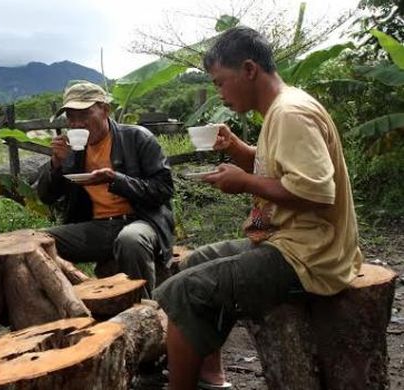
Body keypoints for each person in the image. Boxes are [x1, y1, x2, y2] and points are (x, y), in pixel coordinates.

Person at [152, 26, 363, 390]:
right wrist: (237, 149)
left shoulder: (291, 113)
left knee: (187, 290)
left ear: (249, 69)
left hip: (312, 257)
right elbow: (276, 170)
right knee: (192, 264)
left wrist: (244, 182)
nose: (220, 92)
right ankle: (209, 376)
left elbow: (317, 191)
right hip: (290, 241)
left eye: (221, 82)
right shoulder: (280, 108)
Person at [36, 80, 175, 296]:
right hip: (98, 228)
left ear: (105, 110)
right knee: (37, 242)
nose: (77, 124)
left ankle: (145, 308)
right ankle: (71, 306)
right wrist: (56, 164)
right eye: (71, 117)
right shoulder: (73, 151)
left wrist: (115, 180)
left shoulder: (137, 138)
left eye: (84, 114)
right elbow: (46, 196)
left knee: (131, 240)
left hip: (141, 221)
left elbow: (164, 189)